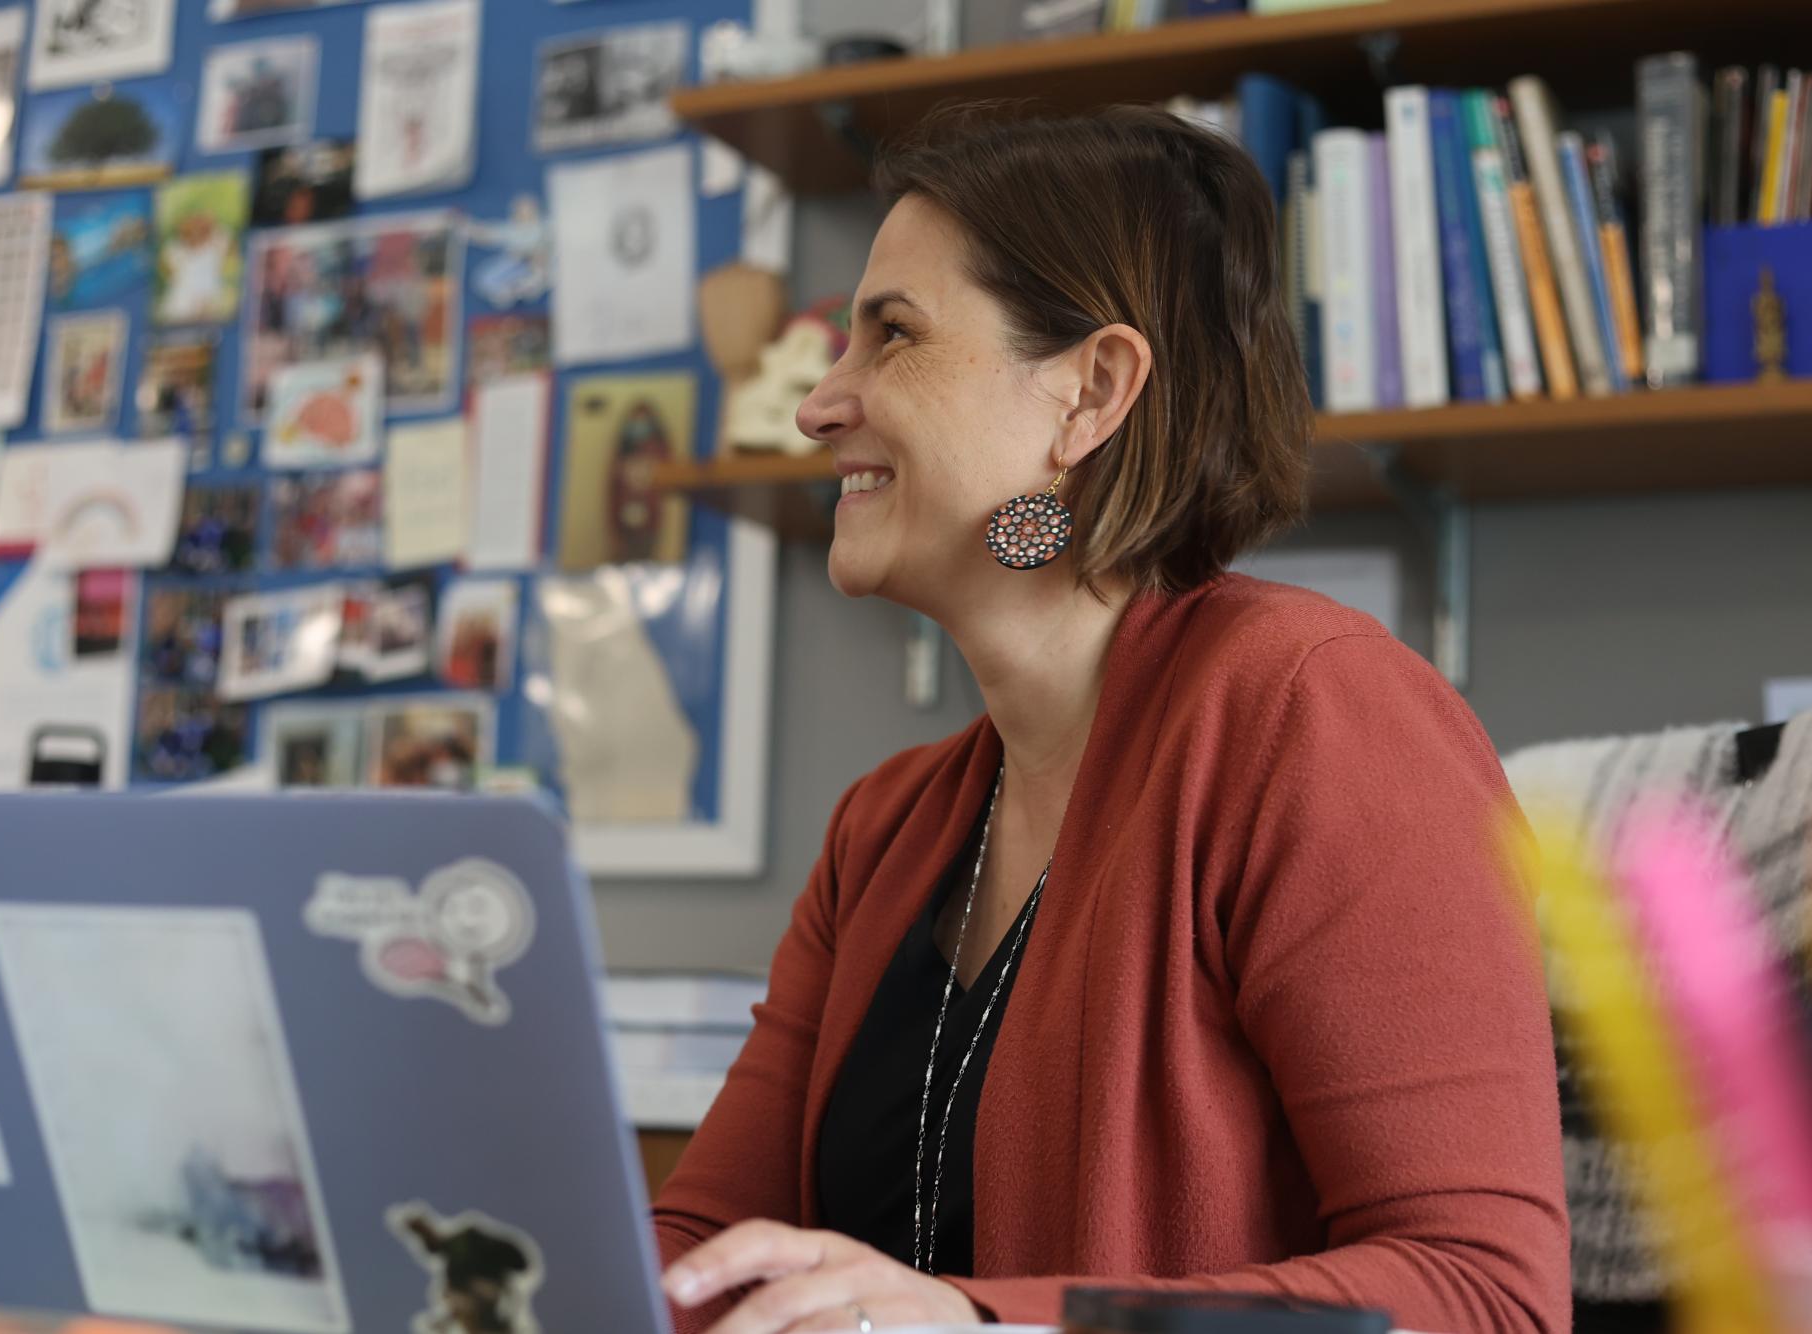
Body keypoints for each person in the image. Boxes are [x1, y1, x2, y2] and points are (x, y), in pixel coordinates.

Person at [653, 107, 1570, 1334]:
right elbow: (700, 1246)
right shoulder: (883, 828)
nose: (820, 404)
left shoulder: (1315, 712)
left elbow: (1486, 1295)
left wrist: (979, 1325)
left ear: (1091, 392)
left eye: (893, 336)